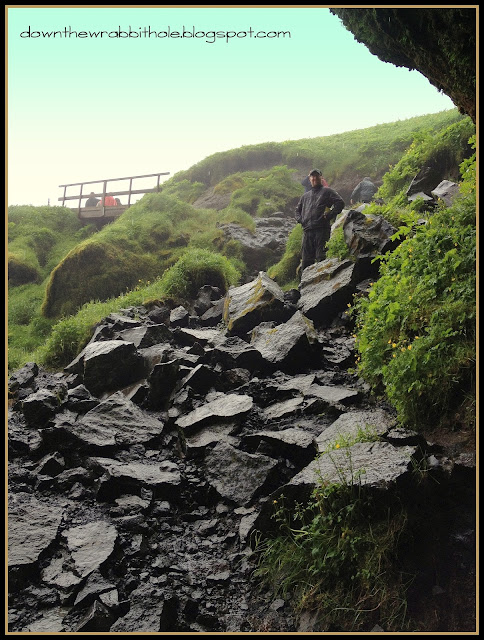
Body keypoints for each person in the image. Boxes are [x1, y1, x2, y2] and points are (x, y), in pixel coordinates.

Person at [295, 169, 345, 275]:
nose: (314, 178)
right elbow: (297, 211)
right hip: (307, 231)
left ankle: (322, 285)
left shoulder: (327, 191)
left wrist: (330, 215)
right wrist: (301, 220)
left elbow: (340, 203)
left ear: (321, 178)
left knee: (321, 257)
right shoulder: (305, 196)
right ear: (309, 179)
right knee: (306, 261)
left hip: (322, 230)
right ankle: (305, 287)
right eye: (312, 176)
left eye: (317, 176)